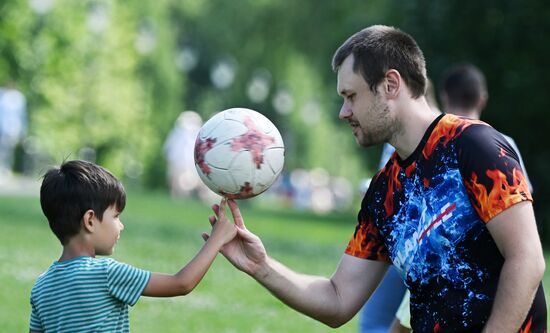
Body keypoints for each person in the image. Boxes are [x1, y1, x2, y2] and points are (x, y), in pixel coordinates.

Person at [206, 25, 546, 332]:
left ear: (390, 85)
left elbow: (527, 259)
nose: (344, 112)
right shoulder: (384, 192)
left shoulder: (474, 145)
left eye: (351, 96)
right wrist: (260, 266)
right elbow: (338, 300)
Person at [389, 62, 537, 332]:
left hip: (439, 262)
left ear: (445, 97)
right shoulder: (503, 141)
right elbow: (523, 209)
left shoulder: (433, 150)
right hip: (490, 273)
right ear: (483, 98)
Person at [29, 160, 236, 333]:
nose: (121, 225)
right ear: (90, 220)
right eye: (116, 216)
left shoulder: (41, 287)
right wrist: (216, 240)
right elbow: (181, 284)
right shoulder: (107, 273)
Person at [358, 78, 440, 333]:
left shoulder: (409, 133)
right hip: (423, 246)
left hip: (408, 243)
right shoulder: (449, 131)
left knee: (375, 322)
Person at [0, 82, 27, 178]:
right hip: (4, 128)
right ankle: (3, 169)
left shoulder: (18, 98)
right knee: (3, 150)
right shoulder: (3, 96)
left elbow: (22, 116)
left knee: (8, 150)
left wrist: (22, 131)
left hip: (12, 129)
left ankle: (6, 170)